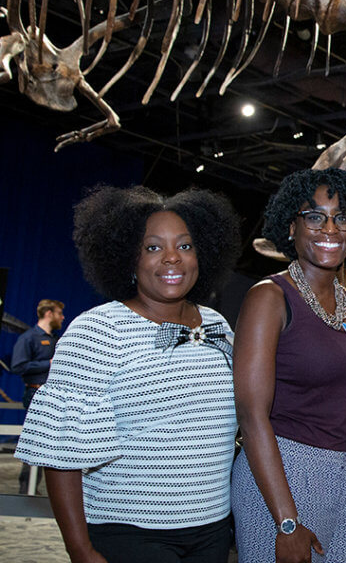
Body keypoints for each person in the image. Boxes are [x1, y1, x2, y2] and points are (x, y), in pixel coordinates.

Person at [15, 185, 241, 563]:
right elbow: (61, 454)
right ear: (127, 258)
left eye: (185, 246)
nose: (172, 258)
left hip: (213, 531)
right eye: (153, 247)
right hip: (130, 534)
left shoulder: (218, 325)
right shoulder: (98, 329)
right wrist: (80, 549)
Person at [231, 168, 346, 563]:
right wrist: (286, 520)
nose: (329, 228)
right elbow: (251, 414)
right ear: (291, 227)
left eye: (342, 217)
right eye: (314, 217)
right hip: (287, 471)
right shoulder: (269, 297)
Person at [11, 298, 64, 493]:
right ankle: (27, 488)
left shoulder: (56, 340)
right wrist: (47, 364)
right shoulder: (29, 338)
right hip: (35, 393)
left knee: (50, 444)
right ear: (49, 313)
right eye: (59, 313)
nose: (62, 317)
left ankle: (39, 487)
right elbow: (18, 366)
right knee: (34, 442)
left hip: (54, 395)